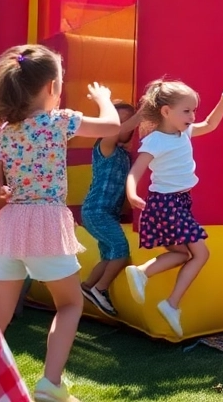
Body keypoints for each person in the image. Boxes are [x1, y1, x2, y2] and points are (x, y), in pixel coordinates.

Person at [0, 45, 121, 402]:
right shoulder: (58, 121)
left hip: (10, 226)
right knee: (70, 305)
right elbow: (112, 127)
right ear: (53, 86)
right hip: (47, 222)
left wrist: (11, 193)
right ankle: (50, 383)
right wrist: (104, 99)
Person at [123, 79, 223, 338]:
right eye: (186, 111)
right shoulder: (155, 141)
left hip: (178, 204)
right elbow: (136, 171)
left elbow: (209, 125)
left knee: (182, 254)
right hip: (166, 204)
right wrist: (131, 193)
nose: (192, 116)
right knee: (200, 254)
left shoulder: (183, 132)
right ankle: (171, 303)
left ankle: (143, 273)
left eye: (193, 110)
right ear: (166, 112)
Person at [80, 101, 153, 317]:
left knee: (109, 257)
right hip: (96, 210)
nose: (123, 126)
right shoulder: (105, 145)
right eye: (119, 121)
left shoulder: (124, 154)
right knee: (121, 251)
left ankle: (87, 287)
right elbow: (114, 130)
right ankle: (99, 289)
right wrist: (140, 115)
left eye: (126, 121)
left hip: (107, 213)